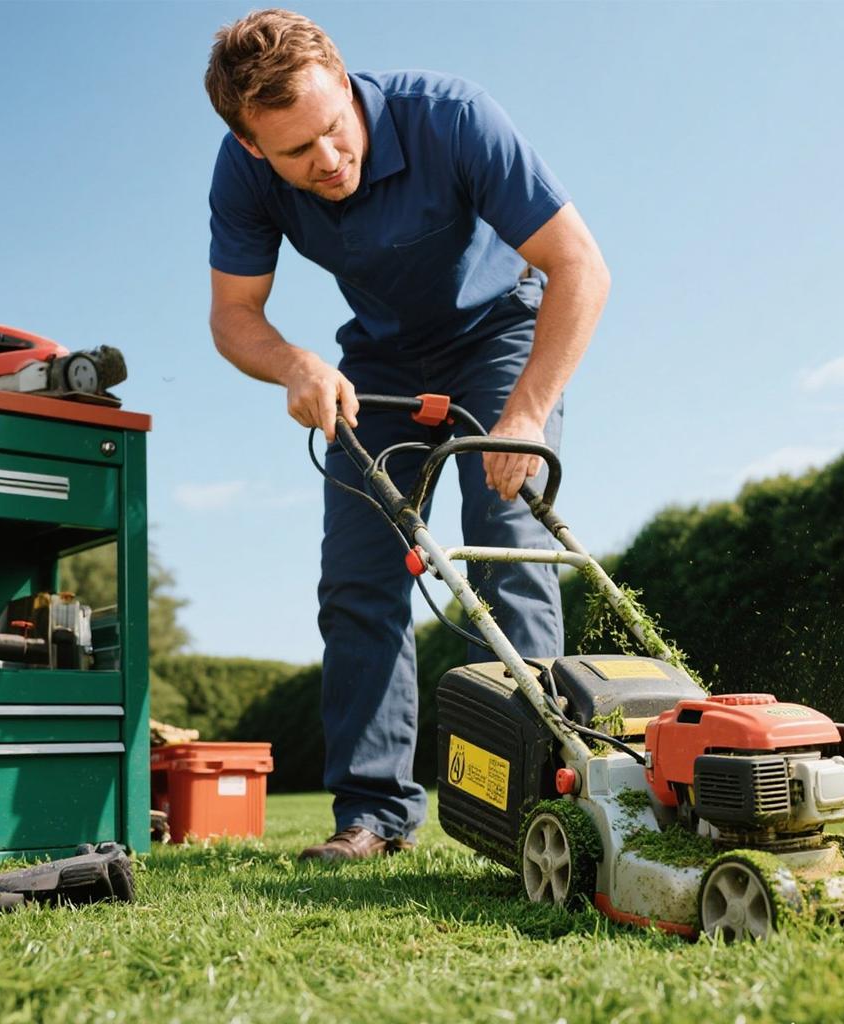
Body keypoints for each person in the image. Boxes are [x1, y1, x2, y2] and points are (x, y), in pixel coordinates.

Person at [204, 9, 610, 860]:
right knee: (357, 581)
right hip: (377, 368)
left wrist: (526, 411)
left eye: (333, 130)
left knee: (504, 554)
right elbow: (235, 317)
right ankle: (372, 818)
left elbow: (580, 265)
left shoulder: (453, 117)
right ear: (252, 148)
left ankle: (538, 800)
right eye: (295, 152)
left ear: (346, 82)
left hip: (499, 339)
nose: (327, 160)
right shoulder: (240, 176)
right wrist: (294, 366)